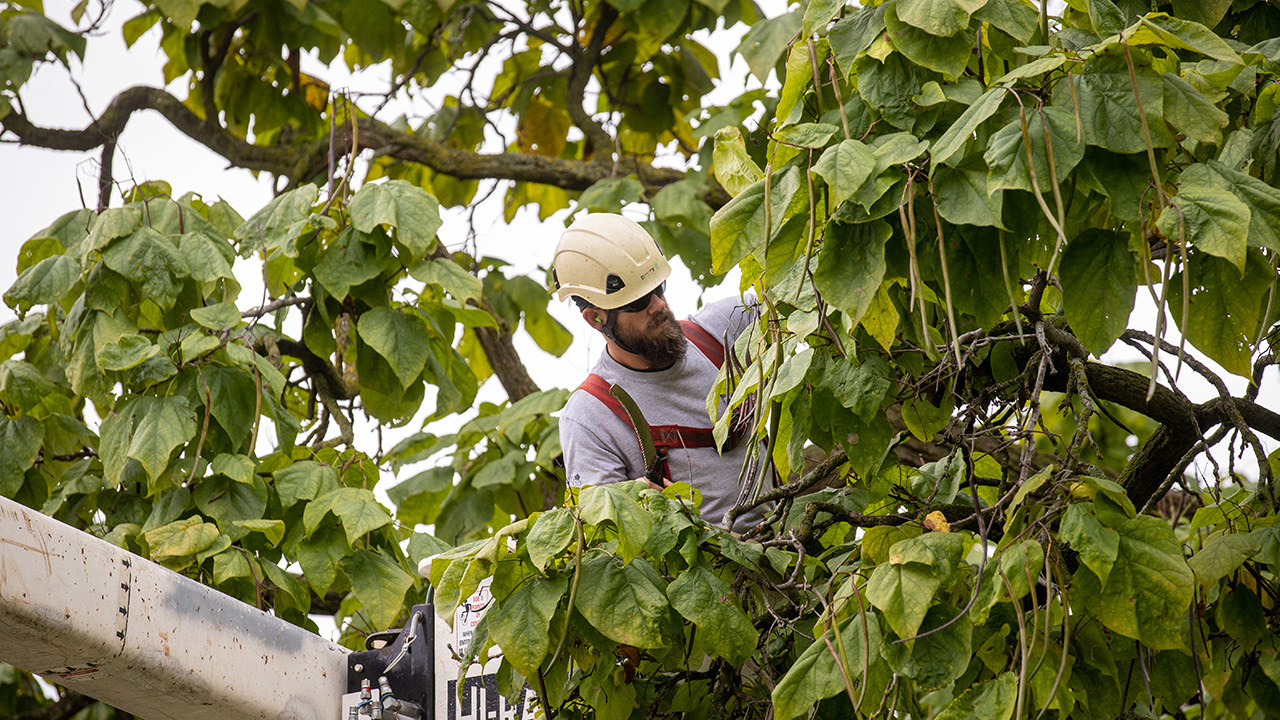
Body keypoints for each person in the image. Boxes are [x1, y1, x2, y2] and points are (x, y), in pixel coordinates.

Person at [552, 212, 769, 530]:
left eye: (659, 288)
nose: (658, 305)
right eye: (638, 301)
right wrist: (632, 506)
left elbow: (804, 294)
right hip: (709, 573)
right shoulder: (590, 417)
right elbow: (603, 534)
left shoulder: (727, 329)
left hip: (794, 542)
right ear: (597, 319)